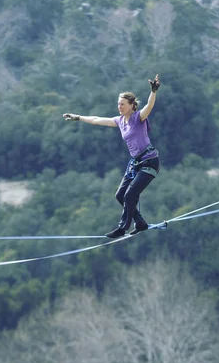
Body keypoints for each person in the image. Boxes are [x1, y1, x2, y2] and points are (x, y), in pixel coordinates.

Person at [63, 74, 160, 239]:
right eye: (118, 104)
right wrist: (78, 117)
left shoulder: (139, 118)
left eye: (122, 104)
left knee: (130, 195)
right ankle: (140, 222)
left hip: (149, 162)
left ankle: (122, 228)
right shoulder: (120, 121)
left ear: (131, 105)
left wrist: (153, 91)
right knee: (120, 195)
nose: (119, 107)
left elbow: (149, 107)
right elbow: (96, 119)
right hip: (135, 163)